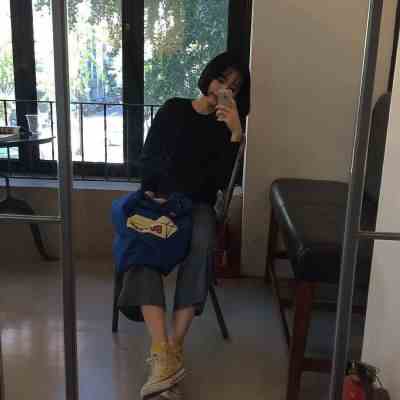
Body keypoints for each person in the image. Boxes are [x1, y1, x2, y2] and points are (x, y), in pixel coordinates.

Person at [117, 52, 251, 399]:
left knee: (201, 240)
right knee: (142, 240)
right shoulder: (174, 109)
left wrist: (236, 134)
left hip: (197, 206)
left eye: (234, 87)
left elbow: (219, 183)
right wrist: (155, 193)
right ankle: (162, 349)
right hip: (159, 198)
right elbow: (148, 157)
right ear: (208, 77)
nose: (223, 89)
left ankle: (171, 349)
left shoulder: (226, 129)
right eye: (221, 79)